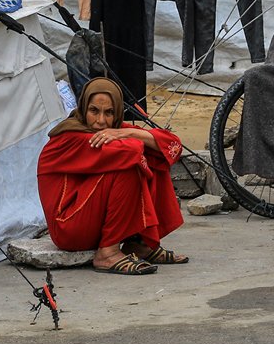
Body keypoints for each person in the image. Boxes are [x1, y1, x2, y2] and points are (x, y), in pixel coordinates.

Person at [37, 78, 188, 275]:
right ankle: (107, 253)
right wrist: (128, 135)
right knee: (131, 165)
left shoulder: (112, 130)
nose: (101, 121)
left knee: (156, 155)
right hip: (69, 228)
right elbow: (131, 152)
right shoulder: (70, 137)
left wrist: (126, 133)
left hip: (91, 222)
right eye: (94, 111)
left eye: (109, 113)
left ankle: (138, 243)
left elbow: (173, 146)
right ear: (83, 108)